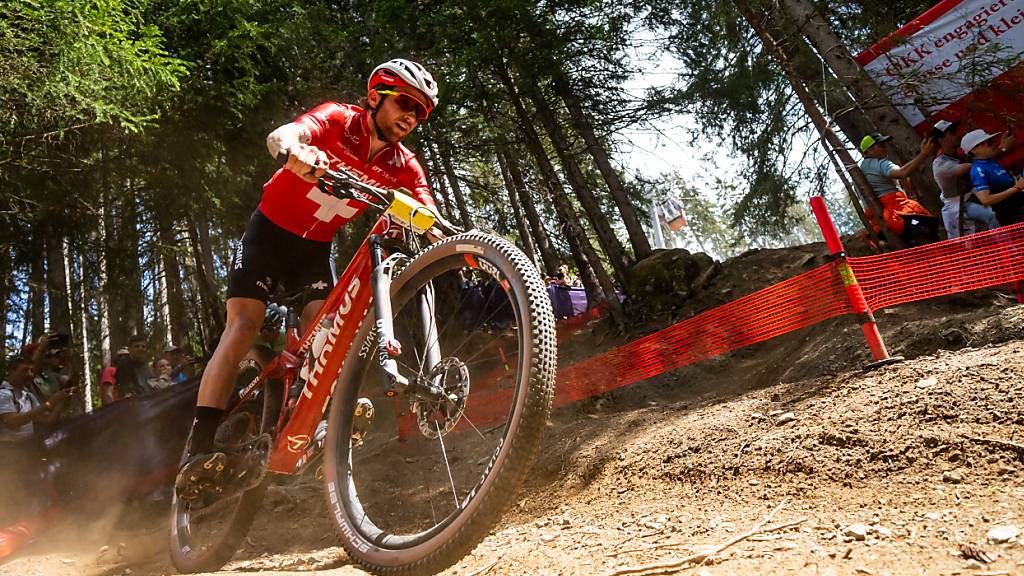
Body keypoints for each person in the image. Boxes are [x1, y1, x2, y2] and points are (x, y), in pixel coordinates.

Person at [177, 58, 440, 501]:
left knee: (329, 327)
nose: (411, 116)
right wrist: (294, 151)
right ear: (375, 96)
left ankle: (318, 417)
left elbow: (429, 216)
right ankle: (197, 442)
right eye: (404, 103)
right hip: (267, 237)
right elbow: (282, 135)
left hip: (313, 252)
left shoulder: (404, 164)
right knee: (243, 326)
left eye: (420, 112)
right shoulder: (338, 119)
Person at [0, 356, 72, 523]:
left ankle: (22, 528)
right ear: (11, 372)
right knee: (9, 490)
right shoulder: (4, 394)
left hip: (26, 449)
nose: (29, 374)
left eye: (31, 371)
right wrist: (48, 404)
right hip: (6, 450)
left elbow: (46, 420)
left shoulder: (27, 395)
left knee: (26, 489)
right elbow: (12, 422)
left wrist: (60, 402)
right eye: (24, 370)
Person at [859, 131, 938, 239]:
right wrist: (924, 153)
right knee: (928, 228)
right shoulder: (880, 164)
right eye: (880, 146)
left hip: (879, 224)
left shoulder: (861, 170)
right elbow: (902, 173)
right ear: (869, 151)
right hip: (899, 217)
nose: (884, 148)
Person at [930, 120, 1001, 238]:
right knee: (991, 217)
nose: (958, 135)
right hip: (958, 207)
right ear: (940, 139)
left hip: (973, 198)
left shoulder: (960, 154)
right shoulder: (939, 165)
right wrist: (1002, 149)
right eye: (952, 133)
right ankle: (1010, 251)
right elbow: (972, 167)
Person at [963, 128, 1024, 226]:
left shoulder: (990, 161)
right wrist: (1016, 188)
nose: (992, 144)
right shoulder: (978, 170)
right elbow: (986, 200)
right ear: (974, 150)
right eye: (987, 142)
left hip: (1018, 205)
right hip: (1010, 215)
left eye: (991, 141)